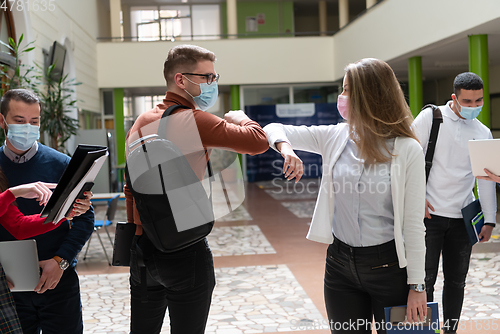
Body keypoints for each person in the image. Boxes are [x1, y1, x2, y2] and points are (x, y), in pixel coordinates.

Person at [263, 58, 427, 334]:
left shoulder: (407, 149)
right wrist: (287, 149)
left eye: (348, 90)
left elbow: (413, 225)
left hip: (390, 268)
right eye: (343, 89)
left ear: (370, 95)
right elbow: (273, 128)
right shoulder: (335, 136)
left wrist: (418, 286)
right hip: (340, 265)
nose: (342, 97)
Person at [124, 44, 269, 334]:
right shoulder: (194, 119)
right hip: (184, 249)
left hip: (142, 249)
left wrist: (138, 234)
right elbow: (258, 142)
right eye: (207, 78)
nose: (213, 84)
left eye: (214, 77)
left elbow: (131, 187)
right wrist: (241, 118)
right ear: (181, 80)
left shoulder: (142, 120)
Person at [0, 88, 95, 334]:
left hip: (57, 281)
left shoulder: (61, 164)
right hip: (8, 285)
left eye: (34, 121)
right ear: (2, 121)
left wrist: (61, 261)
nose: (27, 127)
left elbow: (85, 219)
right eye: (19, 121)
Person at [413, 72, 497, 333]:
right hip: (428, 216)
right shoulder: (431, 117)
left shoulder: (482, 132)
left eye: (478, 101)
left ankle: (449, 330)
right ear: (454, 98)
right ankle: (424, 330)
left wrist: (490, 220)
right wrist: (414, 199)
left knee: (456, 282)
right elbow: (407, 158)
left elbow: (485, 179)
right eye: (468, 102)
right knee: (423, 281)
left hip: (463, 219)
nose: (474, 107)